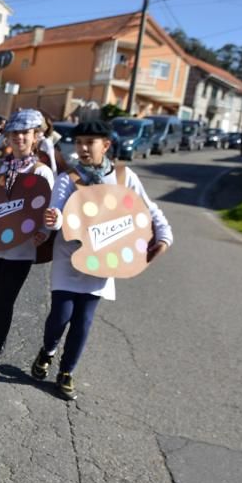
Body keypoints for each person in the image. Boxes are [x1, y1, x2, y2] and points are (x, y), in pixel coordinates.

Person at [31, 120, 172, 400]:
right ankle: (47, 350)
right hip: (69, 258)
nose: (82, 148)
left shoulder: (122, 177)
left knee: (83, 321)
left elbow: (149, 208)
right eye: (79, 142)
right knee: (60, 317)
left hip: (104, 260)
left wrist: (165, 236)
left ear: (105, 145)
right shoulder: (68, 178)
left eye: (89, 142)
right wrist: (53, 220)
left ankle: (66, 372)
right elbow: (56, 211)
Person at [0, 109, 54, 378]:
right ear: (7, 137)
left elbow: (48, 207)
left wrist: (44, 231)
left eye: (25, 133)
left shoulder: (41, 171)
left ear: (35, 137)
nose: (19, 138)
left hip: (21, 249)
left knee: (5, 299)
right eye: (15, 133)